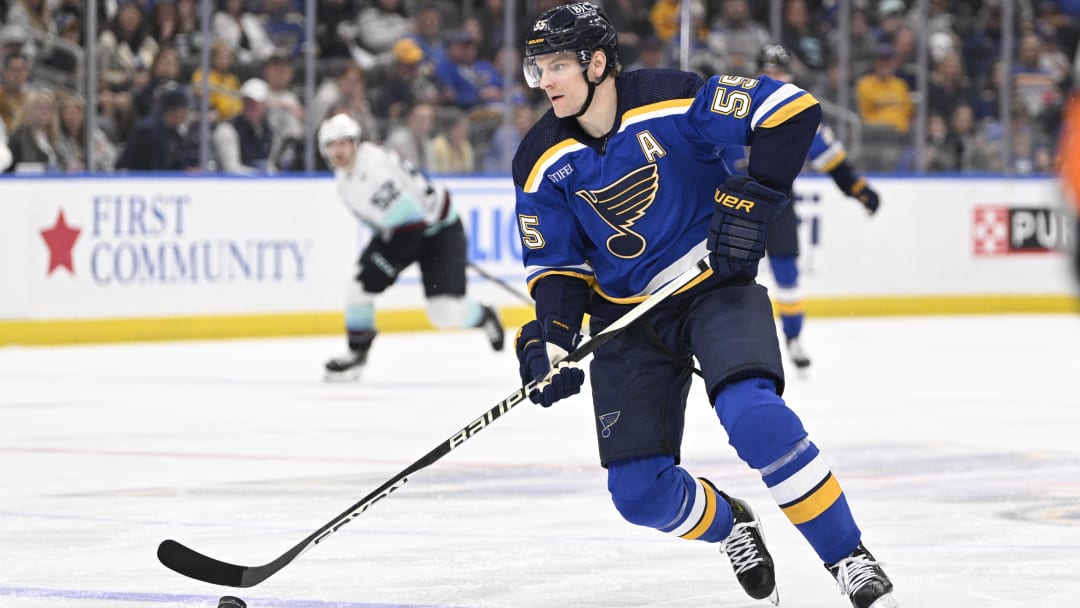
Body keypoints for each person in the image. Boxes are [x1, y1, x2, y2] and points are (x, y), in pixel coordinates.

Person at [510, 4, 897, 608]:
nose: (546, 80)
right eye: (539, 68)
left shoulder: (674, 97)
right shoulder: (538, 158)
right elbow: (557, 267)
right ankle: (733, 525)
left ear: (599, 62)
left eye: (558, 65)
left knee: (755, 417)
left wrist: (755, 200)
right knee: (638, 494)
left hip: (712, 286)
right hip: (626, 319)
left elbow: (790, 110)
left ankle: (848, 556)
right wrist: (551, 340)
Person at [317, 113, 506, 380]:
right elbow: (389, 223)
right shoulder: (345, 178)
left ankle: (484, 315)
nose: (338, 150)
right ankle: (357, 353)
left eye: (344, 143)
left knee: (444, 313)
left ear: (355, 142)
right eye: (331, 145)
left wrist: (386, 268)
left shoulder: (372, 172)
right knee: (358, 286)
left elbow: (412, 223)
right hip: (403, 230)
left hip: (438, 232)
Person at [754, 44, 881, 369]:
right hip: (733, 205)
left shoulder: (797, 114)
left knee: (787, 273)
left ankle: (794, 339)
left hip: (777, 203)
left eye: (779, 72)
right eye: (767, 72)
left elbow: (833, 161)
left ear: (789, 75)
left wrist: (858, 189)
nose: (773, 78)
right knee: (723, 277)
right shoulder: (735, 107)